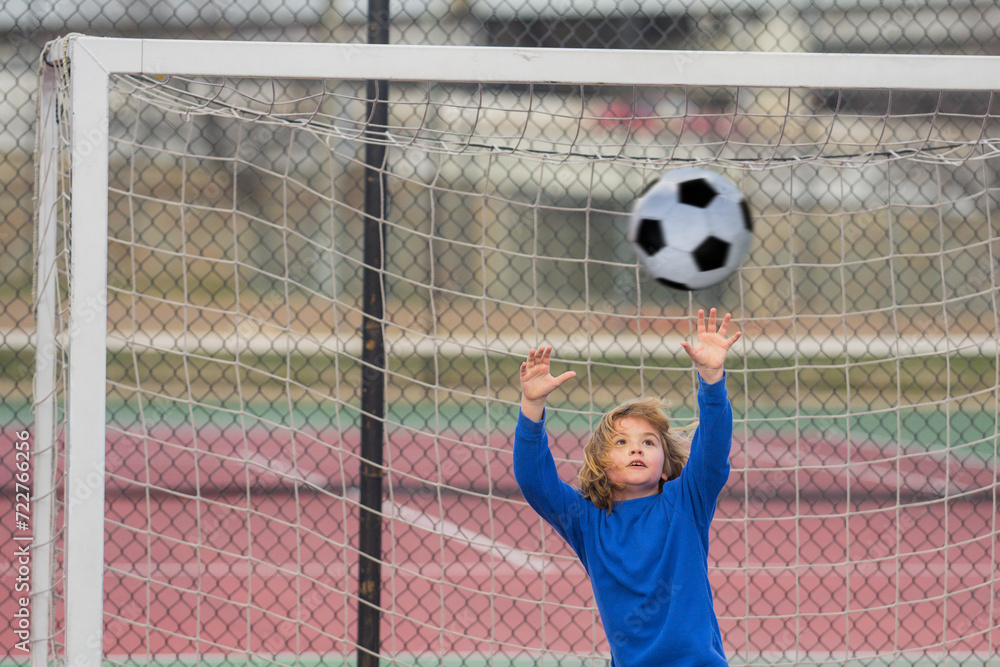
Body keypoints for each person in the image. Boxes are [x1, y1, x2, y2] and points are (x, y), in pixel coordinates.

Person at [513, 308, 741, 667]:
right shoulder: (587, 521)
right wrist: (532, 405)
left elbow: (712, 453)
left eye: (649, 442)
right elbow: (533, 480)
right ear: (601, 464)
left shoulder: (685, 503)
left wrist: (712, 379)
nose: (636, 448)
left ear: (667, 467)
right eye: (621, 443)